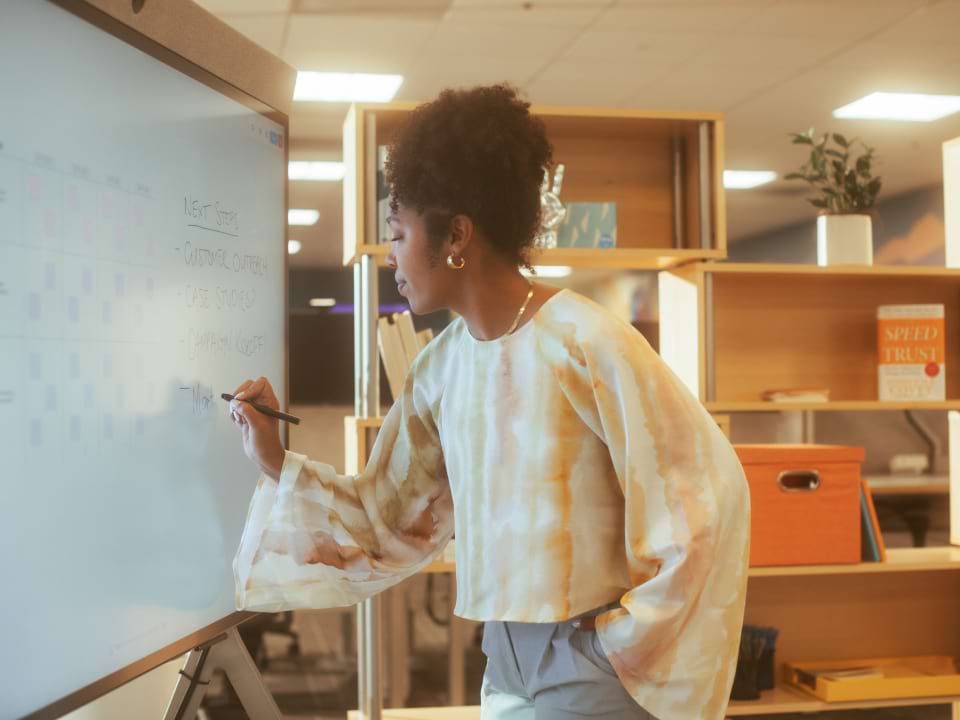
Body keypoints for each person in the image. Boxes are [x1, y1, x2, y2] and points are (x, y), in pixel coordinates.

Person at [229, 84, 750, 720]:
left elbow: (709, 501)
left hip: (593, 667)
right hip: (503, 662)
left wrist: (620, 645)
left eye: (398, 232)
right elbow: (385, 519)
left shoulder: (585, 341)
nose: (391, 256)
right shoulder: (439, 368)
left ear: (456, 235)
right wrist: (276, 460)